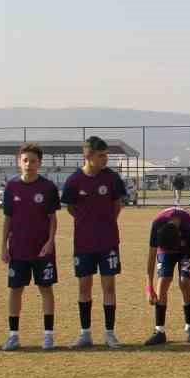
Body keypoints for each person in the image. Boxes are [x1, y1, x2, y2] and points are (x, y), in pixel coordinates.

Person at [62, 135, 128, 348]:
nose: (105, 159)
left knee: (109, 287)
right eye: (101, 155)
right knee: (84, 287)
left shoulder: (112, 179)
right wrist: (87, 223)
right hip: (83, 243)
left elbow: (117, 205)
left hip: (108, 241)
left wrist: (105, 223)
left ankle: (109, 333)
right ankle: (85, 333)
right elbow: (71, 208)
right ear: (88, 155)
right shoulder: (74, 181)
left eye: (106, 155)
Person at [1, 143, 59, 351]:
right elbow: (7, 219)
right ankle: (13, 335)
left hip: (42, 249)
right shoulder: (11, 187)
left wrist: (50, 242)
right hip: (18, 248)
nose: (29, 164)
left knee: (45, 288)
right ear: (19, 162)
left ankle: (48, 335)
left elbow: (53, 218)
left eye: (33, 161)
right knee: (15, 289)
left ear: (39, 163)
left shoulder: (48, 187)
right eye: (25, 160)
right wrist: (3, 246)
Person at [146, 206, 190, 345]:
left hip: (185, 251)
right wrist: (149, 287)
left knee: (184, 281)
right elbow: (151, 258)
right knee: (163, 281)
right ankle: (159, 331)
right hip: (165, 251)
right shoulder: (157, 225)